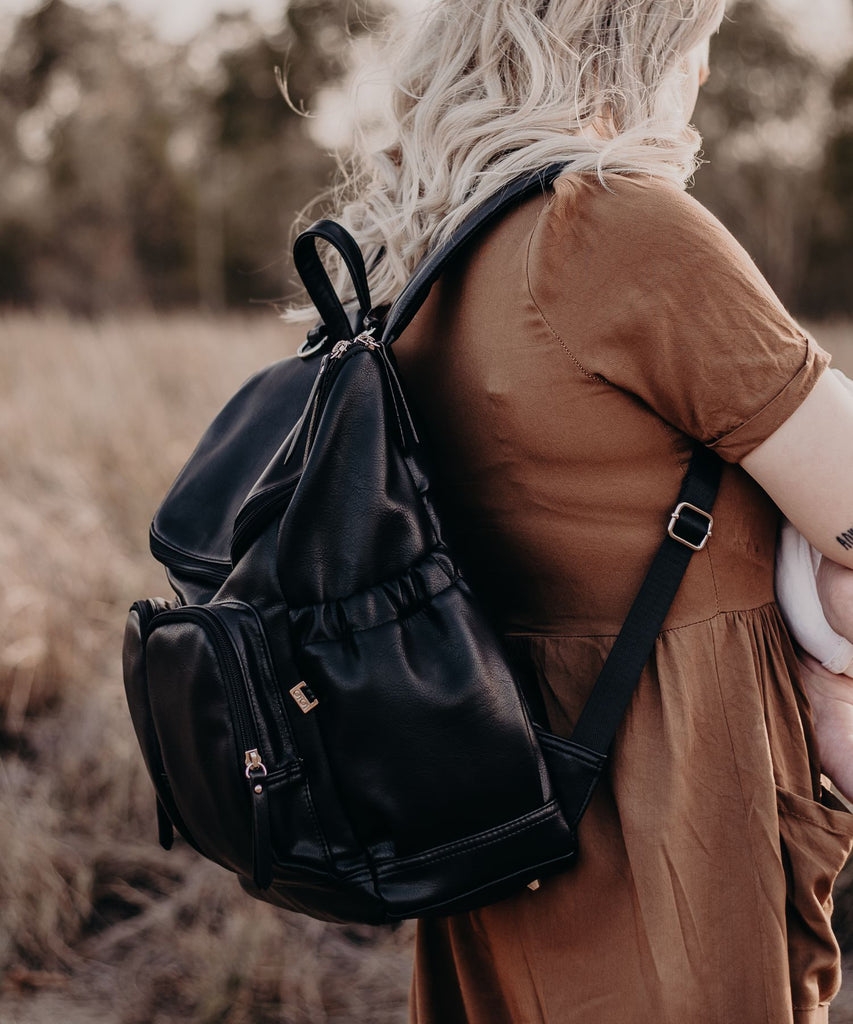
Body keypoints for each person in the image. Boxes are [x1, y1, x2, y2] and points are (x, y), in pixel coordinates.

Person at [297, 1, 853, 1020]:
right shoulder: (611, 223)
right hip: (667, 808)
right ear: (646, 49)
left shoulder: (428, 255)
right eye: (700, 44)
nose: (702, 78)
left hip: (512, 805)